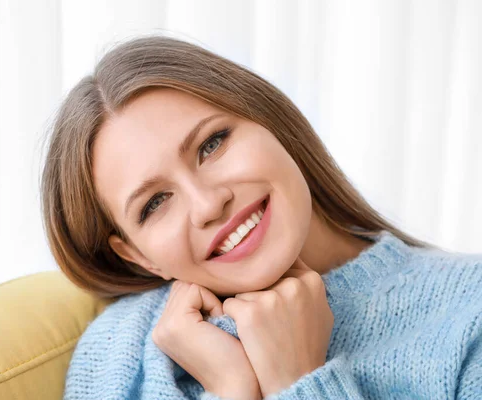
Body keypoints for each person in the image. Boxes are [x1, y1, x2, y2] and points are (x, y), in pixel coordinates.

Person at [40, 36, 482, 399]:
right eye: (154, 203)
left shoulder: (469, 314)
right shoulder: (118, 353)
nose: (209, 204)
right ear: (138, 255)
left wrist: (296, 382)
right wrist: (235, 390)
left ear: (272, 122)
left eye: (211, 145)